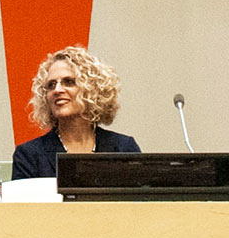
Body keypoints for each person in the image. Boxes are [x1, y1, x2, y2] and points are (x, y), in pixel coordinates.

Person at [10, 46, 140, 180]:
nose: (57, 90)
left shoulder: (123, 149)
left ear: (92, 90)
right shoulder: (29, 155)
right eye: (51, 85)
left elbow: (140, 199)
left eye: (69, 82)